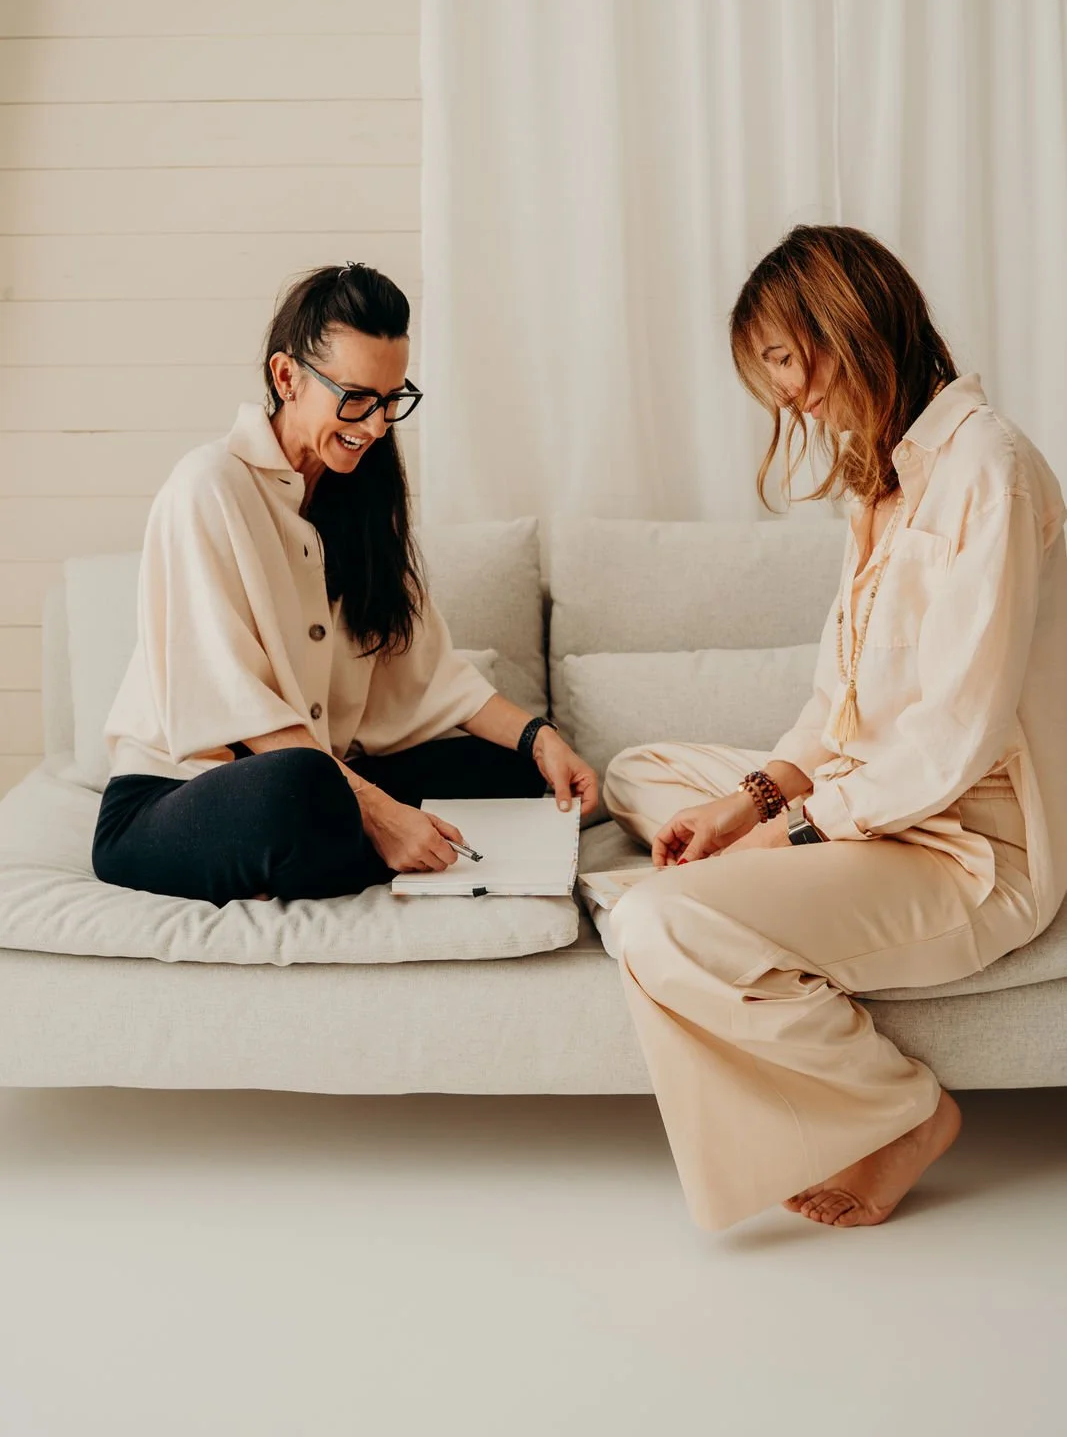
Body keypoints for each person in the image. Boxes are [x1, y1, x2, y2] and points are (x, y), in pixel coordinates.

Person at [603, 225, 1067, 1231]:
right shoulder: (886, 481)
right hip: (876, 799)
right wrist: (747, 803)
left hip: (963, 852)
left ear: (847, 319)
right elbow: (836, 701)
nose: (784, 393)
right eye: (766, 369)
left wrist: (798, 830)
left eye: (782, 356)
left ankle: (899, 1113)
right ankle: (744, 884)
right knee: (640, 772)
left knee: (649, 917)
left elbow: (954, 739)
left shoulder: (989, 469)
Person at [92, 262, 597, 907]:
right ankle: (380, 840)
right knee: (302, 787)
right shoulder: (207, 487)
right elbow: (235, 709)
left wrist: (540, 738)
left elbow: (427, 674)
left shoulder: (361, 495)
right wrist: (381, 812)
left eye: (393, 400)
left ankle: (377, 842)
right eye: (358, 398)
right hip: (178, 796)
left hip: (325, 777)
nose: (379, 425)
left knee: (508, 772)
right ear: (287, 377)